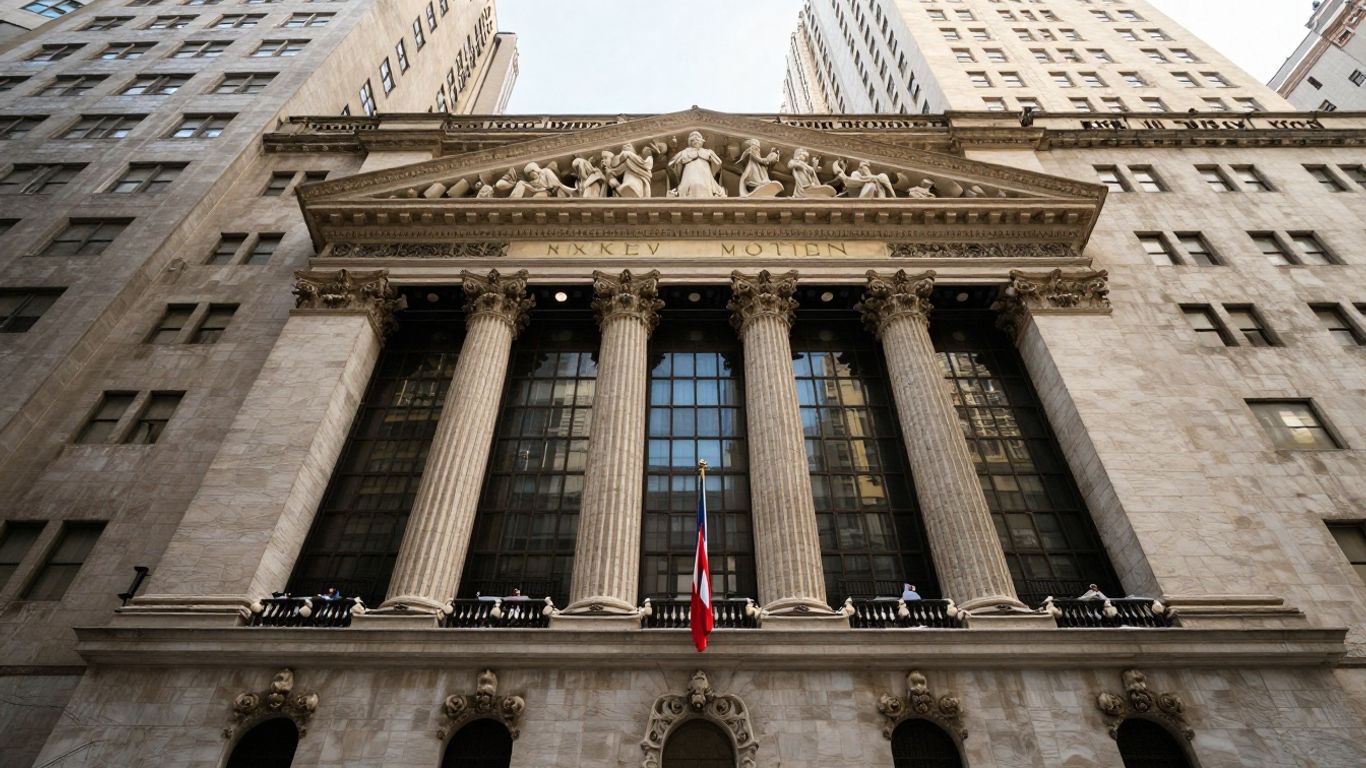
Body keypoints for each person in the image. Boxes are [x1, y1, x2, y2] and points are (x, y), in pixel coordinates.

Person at [668, 131, 727, 198]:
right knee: (690, 185)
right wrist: (683, 160)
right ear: (690, 142)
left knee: (705, 186)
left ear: (702, 141)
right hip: (689, 174)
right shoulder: (684, 152)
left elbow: (718, 162)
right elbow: (672, 163)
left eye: (698, 139)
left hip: (705, 174)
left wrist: (710, 157)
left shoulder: (708, 152)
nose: (696, 141)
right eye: (693, 140)